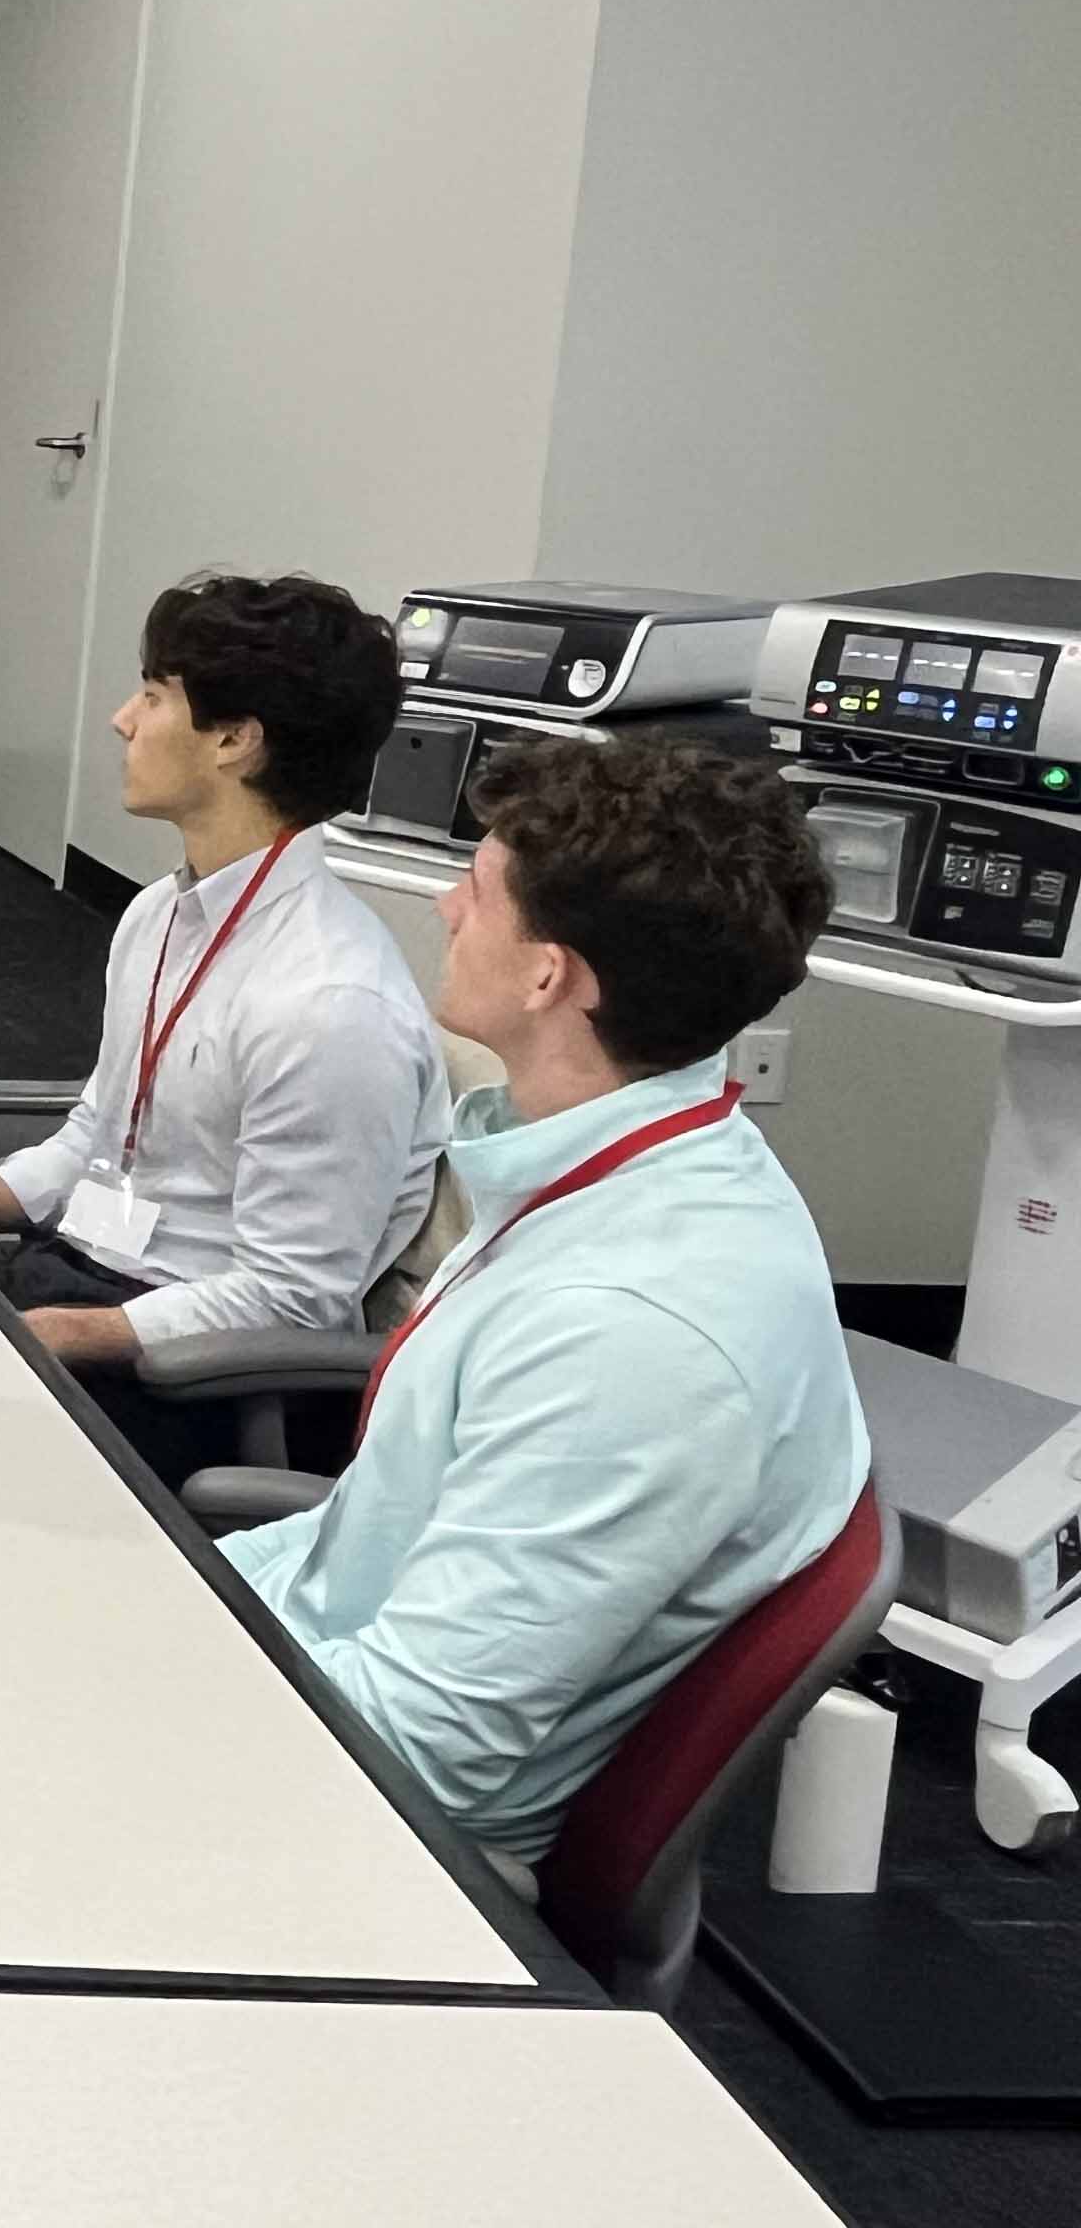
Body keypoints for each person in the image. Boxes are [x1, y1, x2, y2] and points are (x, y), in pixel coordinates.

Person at [223, 738, 870, 1869]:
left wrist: (144, 1674)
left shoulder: (634, 1332)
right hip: (309, 1682)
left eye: (476, 891)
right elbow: (355, 1550)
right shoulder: (626, 1164)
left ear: (548, 978)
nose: (445, 908)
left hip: (365, 1833)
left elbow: (414, 1748)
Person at [0, 573, 450, 1482]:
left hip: (199, 1376)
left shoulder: (329, 1005)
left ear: (236, 740)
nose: (122, 720)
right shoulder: (159, 917)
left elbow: (290, 1301)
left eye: (154, 695)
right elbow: (96, 1138)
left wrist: (55, 1333)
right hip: (79, 1284)